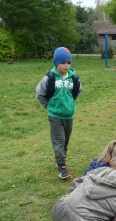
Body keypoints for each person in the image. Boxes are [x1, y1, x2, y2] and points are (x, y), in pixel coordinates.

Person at [36, 47, 82, 179]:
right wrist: (49, 107)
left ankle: (60, 161)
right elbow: (40, 93)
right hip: (55, 116)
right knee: (59, 141)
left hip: (69, 115)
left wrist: (70, 104)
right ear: (56, 63)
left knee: (65, 141)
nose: (66, 66)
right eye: (63, 63)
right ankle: (62, 167)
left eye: (68, 63)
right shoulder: (49, 78)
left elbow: (77, 91)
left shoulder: (74, 78)